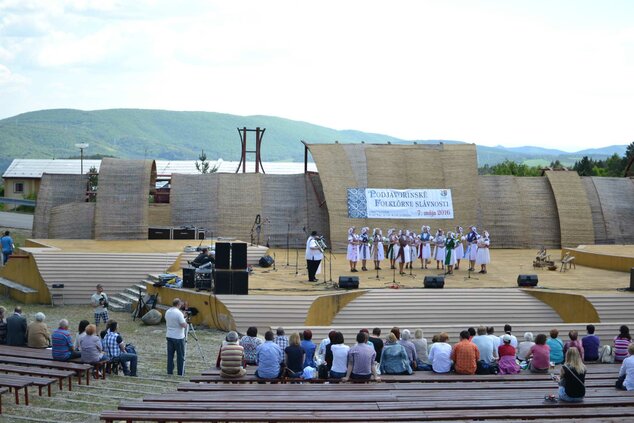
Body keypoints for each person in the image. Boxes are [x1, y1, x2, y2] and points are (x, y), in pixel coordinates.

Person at [165, 298, 188, 376]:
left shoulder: (168, 311)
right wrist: (185, 320)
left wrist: (182, 316)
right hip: (178, 337)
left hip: (169, 335)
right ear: (178, 304)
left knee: (170, 355)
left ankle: (169, 371)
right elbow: (183, 325)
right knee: (180, 356)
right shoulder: (179, 313)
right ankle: (180, 372)